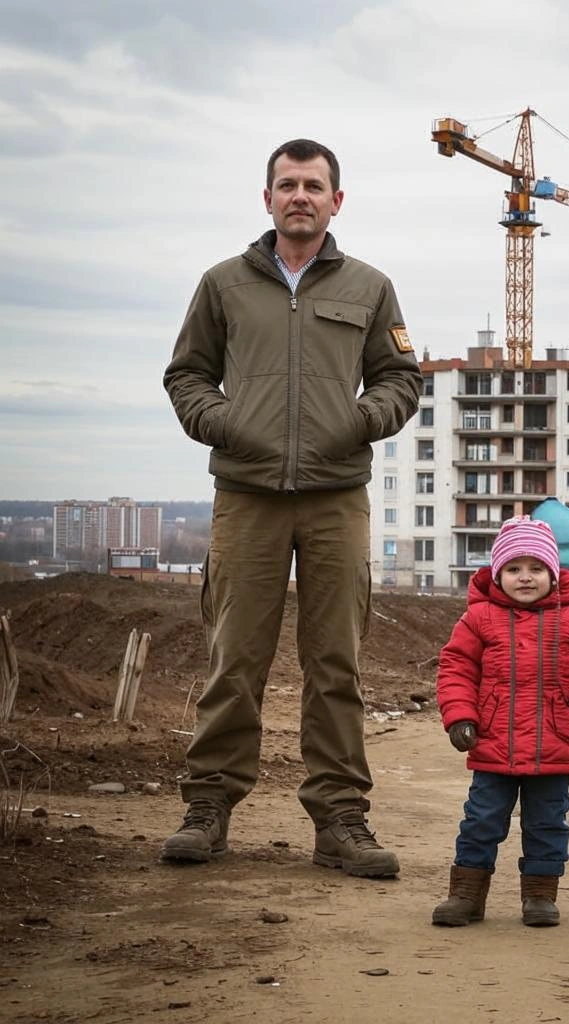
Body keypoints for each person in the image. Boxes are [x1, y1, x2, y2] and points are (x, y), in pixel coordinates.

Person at [161, 139, 422, 876]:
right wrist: (226, 424)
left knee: (335, 664)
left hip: (338, 497)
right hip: (246, 498)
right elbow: (186, 376)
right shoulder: (223, 285)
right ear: (267, 197)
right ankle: (208, 808)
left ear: (337, 201)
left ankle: (341, 819)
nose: (300, 195)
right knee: (233, 659)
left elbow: (401, 379)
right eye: (287, 184)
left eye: (314, 185)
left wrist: (358, 422)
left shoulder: (370, 287)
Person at [432, 516, 569, 928]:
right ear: (497, 574)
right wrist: (459, 716)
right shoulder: (478, 619)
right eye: (513, 569)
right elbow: (456, 669)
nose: (524, 578)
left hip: (554, 745)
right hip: (493, 745)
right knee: (480, 821)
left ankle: (540, 896)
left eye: (535, 569)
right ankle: (466, 894)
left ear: (553, 572)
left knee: (547, 824)